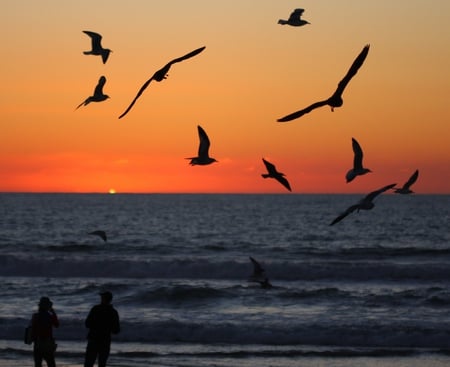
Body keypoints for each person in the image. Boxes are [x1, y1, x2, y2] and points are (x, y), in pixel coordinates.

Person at [84, 291, 120, 367]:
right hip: (105, 340)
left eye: (102, 298)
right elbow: (116, 330)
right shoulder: (113, 312)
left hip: (93, 338)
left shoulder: (95, 309)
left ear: (103, 299)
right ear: (110, 300)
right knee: (102, 363)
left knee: (88, 363)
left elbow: (87, 324)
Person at [31, 297, 59, 367]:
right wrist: (53, 312)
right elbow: (57, 325)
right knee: (51, 364)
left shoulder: (35, 316)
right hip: (47, 343)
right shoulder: (49, 316)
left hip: (37, 343)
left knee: (38, 364)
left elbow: (32, 330)